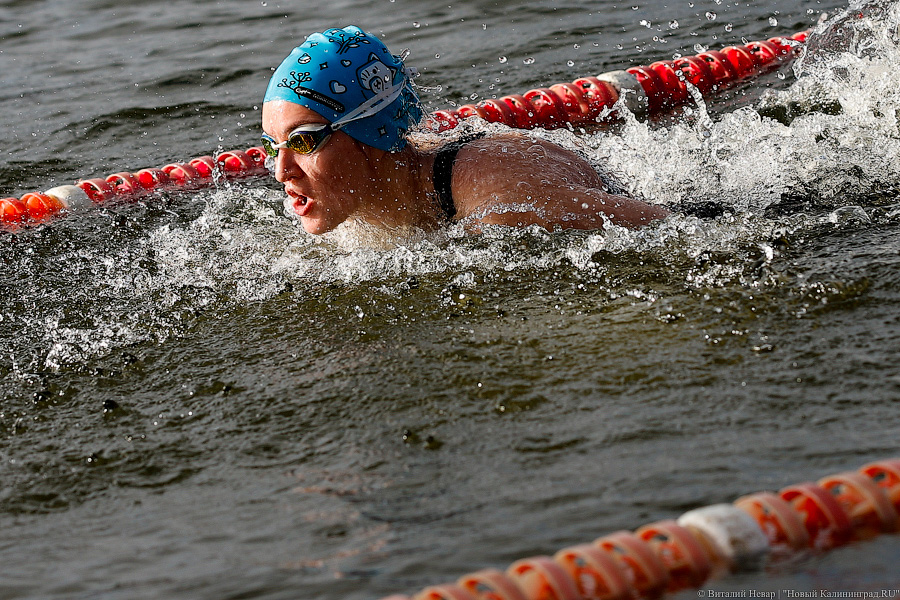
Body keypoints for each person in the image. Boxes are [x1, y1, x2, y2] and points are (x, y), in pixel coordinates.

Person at [261, 25, 670, 236]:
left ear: (371, 131)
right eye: (271, 146)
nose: (281, 172)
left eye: (303, 141)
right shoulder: (351, 203)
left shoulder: (503, 203)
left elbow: (676, 226)